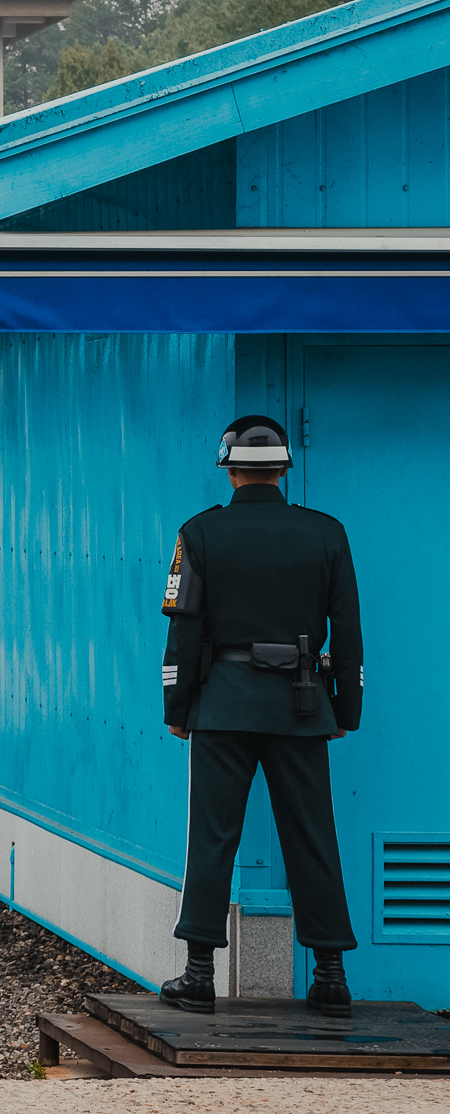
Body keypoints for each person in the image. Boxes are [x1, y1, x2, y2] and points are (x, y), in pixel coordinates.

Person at [158, 414, 363, 1018]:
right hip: (302, 703)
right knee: (313, 836)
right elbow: (347, 632)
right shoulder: (327, 534)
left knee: (213, 836)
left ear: (228, 467)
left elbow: (184, 632)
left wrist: (178, 707)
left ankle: (199, 975)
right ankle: (329, 976)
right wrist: (344, 707)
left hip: (222, 705)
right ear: (283, 468)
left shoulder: (198, 534)